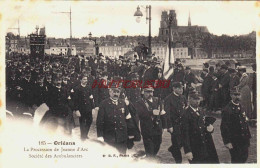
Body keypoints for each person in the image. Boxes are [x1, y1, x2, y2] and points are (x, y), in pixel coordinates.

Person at [96, 83, 134, 154]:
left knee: (122, 157)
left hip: (122, 137)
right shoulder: (104, 104)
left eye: (118, 92)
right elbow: (100, 122)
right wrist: (100, 136)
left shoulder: (123, 103)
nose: (116, 94)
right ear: (109, 92)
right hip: (109, 138)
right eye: (114, 92)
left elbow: (128, 119)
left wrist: (131, 135)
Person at [182, 92, 219, 163]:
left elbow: (204, 125)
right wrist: (188, 151)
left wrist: (211, 129)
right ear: (189, 100)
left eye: (198, 99)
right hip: (195, 146)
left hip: (206, 145)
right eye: (195, 99)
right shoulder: (186, 114)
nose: (197, 101)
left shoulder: (201, 111)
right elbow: (185, 134)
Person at [133, 85, 167, 158]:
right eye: (147, 92)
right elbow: (140, 113)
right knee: (149, 147)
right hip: (147, 128)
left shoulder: (157, 100)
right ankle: (150, 159)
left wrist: (164, 126)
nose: (150, 94)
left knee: (158, 144)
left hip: (157, 127)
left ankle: (151, 157)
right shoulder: (139, 102)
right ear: (143, 92)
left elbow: (162, 113)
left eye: (151, 92)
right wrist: (151, 112)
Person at [220, 88, 251, 163]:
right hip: (235, 140)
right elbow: (224, 127)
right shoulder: (227, 110)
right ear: (231, 95)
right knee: (236, 160)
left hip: (244, 139)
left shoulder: (241, 107)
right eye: (235, 95)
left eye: (239, 95)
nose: (237, 97)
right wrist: (227, 141)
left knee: (244, 158)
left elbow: (244, 122)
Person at [164, 82, 187, 163]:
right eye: (179, 88)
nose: (181, 90)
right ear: (174, 88)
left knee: (183, 141)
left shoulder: (183, 98)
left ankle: (172, 148)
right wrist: (169, 126)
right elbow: (167, 114)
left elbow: (186, 110)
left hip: (183, 124)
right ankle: (178, 161)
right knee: (176, 142)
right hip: (174, 124)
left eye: (182, 88)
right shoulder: (168, 99)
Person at [74, 74, 95, 140]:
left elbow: (91, 98)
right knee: (82, 122)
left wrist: (93, 108)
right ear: (81, 80)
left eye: (86, 79)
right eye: (84, 79)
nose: (86, 80)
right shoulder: (77, 88)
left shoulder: (89, 88)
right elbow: (75, 100)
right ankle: (83, 136)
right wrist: (76, 110)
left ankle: (84, 134)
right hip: (81, 108)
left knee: (90, 120)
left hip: (88, 108)